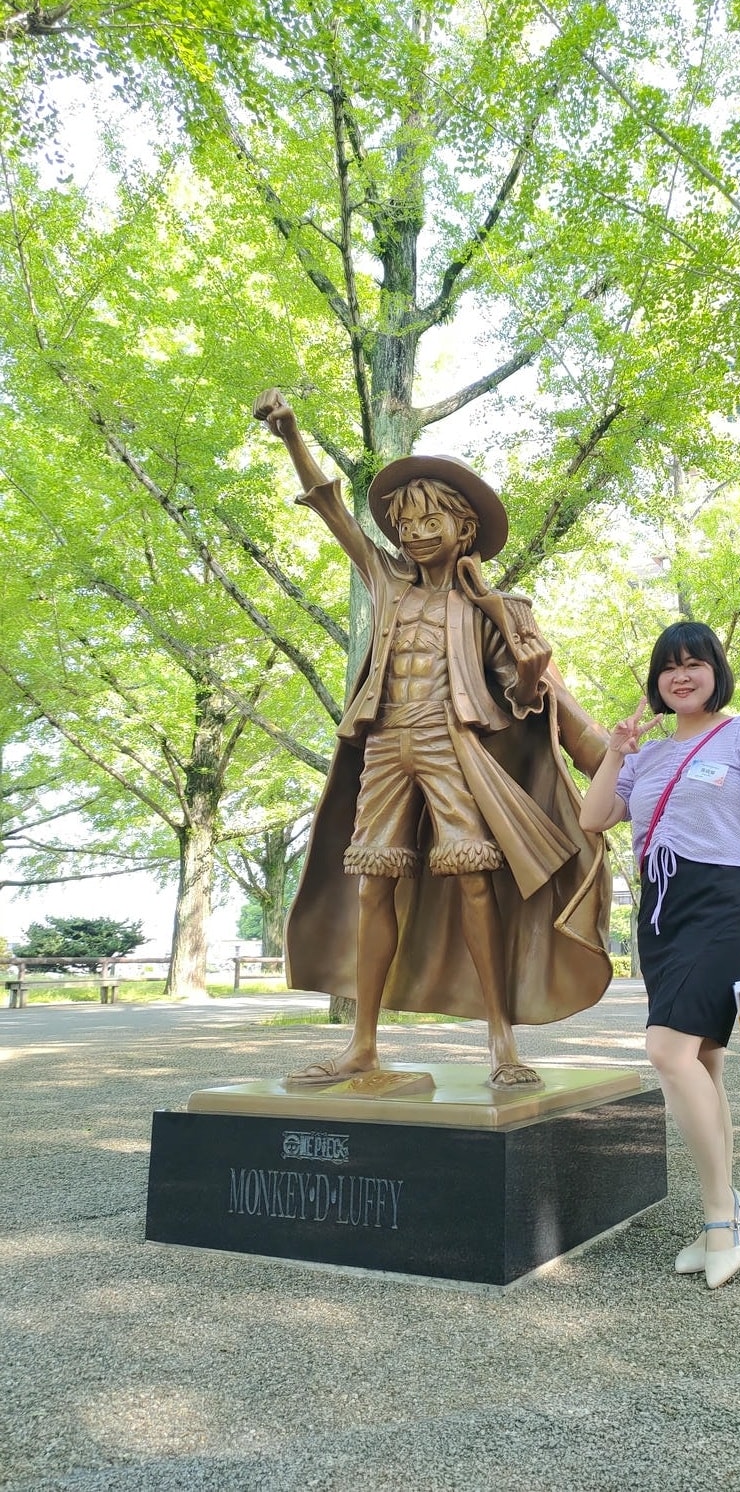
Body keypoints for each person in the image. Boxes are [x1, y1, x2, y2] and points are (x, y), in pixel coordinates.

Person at [254, 390, 612, 1089]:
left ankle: (501, 1041)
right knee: (372, 885)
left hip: (452, 747)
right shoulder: (386, 582)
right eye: (404, 522)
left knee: (475, 881)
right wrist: (292, 434)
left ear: (463, 527)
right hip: (385, 744)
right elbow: (329, 507)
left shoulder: (496, 608)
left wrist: (530, 674)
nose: (414, 532)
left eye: (430, 519)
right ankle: (362, 1044)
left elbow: (523, 700)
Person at [578, 621, 740, 1290]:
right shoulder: (647, 755)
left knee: (667, 1051)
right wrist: (615, 753)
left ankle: (719, 1218)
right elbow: (592, 818)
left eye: (694, 663)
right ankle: (729, 1204)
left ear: (715, 672)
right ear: (657, 681)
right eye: (669, 667)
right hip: (661, 914)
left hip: (723, 903)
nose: (681, 676)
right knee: (702, 1060)